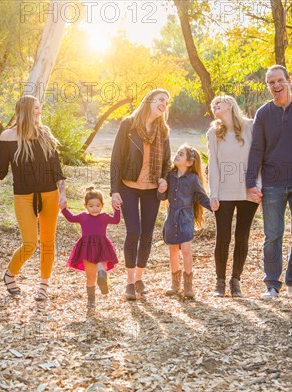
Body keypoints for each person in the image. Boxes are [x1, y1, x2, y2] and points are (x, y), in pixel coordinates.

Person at [245, 65, 292, 299]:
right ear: (268, 86)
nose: (276, 86)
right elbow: (257, 149)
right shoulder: (263, 113)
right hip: (272, 183)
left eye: (280, 80)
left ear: (289, 81)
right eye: (271, 83)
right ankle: (271, 284)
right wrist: (251, 182)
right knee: (273, 235)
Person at [0, 95, 67, 301]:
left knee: (48, 242)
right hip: (23, 196)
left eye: (39, 108)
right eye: (35, 109)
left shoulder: (45, 135)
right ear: (24, 111)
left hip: (50, 194)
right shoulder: (8, 136)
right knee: (30, 243)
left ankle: (43, 285)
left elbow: (56, 168)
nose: (39, 112)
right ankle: (10, 274)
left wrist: (63, 193)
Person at [110, 88, 171, 300]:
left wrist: (164, 180)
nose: (164, 103)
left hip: (151, 190)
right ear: (149, 101)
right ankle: (128, 282)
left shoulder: (163, 130)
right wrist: (114, 190)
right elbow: (116, 158)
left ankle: (139, 277)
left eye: (166, 102)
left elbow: (167, 162)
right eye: (160, 99)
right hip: (128, 185)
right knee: (133, 231)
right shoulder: (129, 124)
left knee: (147, 235)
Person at [206, 95, 261, 298]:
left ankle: (235, 280)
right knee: (223, 237)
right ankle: (220, 281)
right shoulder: (213, 133)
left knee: (242, 236)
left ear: (230, 104)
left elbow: (259, 158)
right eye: (212, 106)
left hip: (248, 190)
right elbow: (213, 166)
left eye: (218, 103)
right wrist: (214, 194)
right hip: (224, 192)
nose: (214, 107)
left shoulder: (251, 127)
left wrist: (258, 186)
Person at [159, 145, 212, 299]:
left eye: (181, 154)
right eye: (177, 153)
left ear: (189, 163)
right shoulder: (170, 175)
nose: (176, 155)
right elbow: (162, 197)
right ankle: (175, 284)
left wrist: (214, 207)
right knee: (173, 250)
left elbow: (201, 197)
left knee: (186, 250)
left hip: (185, 217)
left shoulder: (193, 179)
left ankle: (188, 285)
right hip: (172, 215)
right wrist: (161, 191)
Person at [60, 186, 120, 309]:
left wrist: (116, 209)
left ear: (102, 205)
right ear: (85, 205)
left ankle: (102, 277)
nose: (94, 208)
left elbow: (116, 220)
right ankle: (91, 299)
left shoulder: (104, 216)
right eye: (91, 206)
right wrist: (64, 209)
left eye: (98, 205)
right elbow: (71, 218)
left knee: (101, 264)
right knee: (90, 275)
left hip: (102, 245)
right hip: (86, 247)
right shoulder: (83, 216)